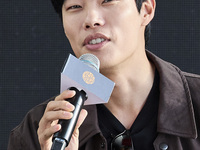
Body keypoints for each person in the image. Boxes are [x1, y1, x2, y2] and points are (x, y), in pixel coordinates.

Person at [8, 0, 200, 149]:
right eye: (75, 6)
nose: (91, 20)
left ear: (146, 10)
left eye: (107, 0)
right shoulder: (37, 132)